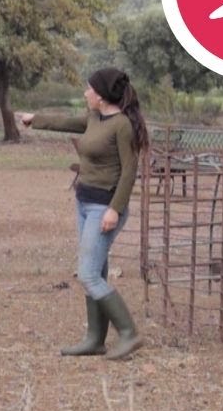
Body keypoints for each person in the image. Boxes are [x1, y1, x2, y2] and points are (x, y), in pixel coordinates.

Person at [15, 67, 149, 360]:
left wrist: (115, 209)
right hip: (85, 202)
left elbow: (129, 172)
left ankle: (128, 333)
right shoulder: (94, 118)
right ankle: (94, 338)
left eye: (88, 89)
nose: (85, 93)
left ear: (101, 96)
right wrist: (35, 119)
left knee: (88, 274)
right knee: (97, 270)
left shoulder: (122, 125)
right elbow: (68, 122)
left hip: (104, 207)